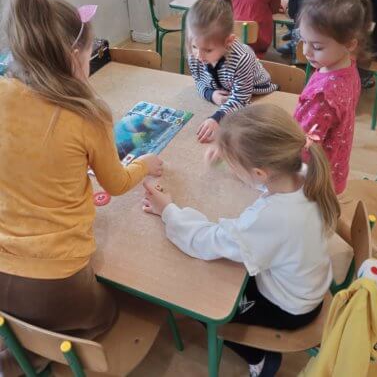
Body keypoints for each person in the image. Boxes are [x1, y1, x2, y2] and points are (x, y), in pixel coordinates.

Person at [0, 0, 163, 375]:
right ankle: (36, 352)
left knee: (26, 323)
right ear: (75, 57)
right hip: (58, 282)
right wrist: (146, 163)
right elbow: (117, 184)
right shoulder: (87, 114)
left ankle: (18, 348)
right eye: (90, 54)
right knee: (110, 312)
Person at [142, 103, 340, 377]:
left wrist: (168, 210)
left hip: (290, 308)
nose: (230, 166)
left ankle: (259, 357)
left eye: (233, 163)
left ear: (260, 172)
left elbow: (205, 241)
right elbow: (265, 184)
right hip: (308, 284)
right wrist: (231, 155)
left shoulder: (269, 219)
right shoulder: (304, 173)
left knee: (200, 304)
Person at [294, 0, 372, 194]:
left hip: (312, 179)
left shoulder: (324, 95)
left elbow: (302, 145)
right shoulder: (347, 67)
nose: (306, 51)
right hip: (334, 169)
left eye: (317, 46)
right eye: (303, 41)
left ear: (350, 44)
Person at [186, 0, 277, 143]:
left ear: (228, 42)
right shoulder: (195, 55)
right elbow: (199, 82)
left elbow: (241, 99)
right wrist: (210, 94)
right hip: (226, 90)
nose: (199, 56)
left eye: (208, 50)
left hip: (256, 91)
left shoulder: (242, 58)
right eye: (195, 46)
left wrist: (217, 119)